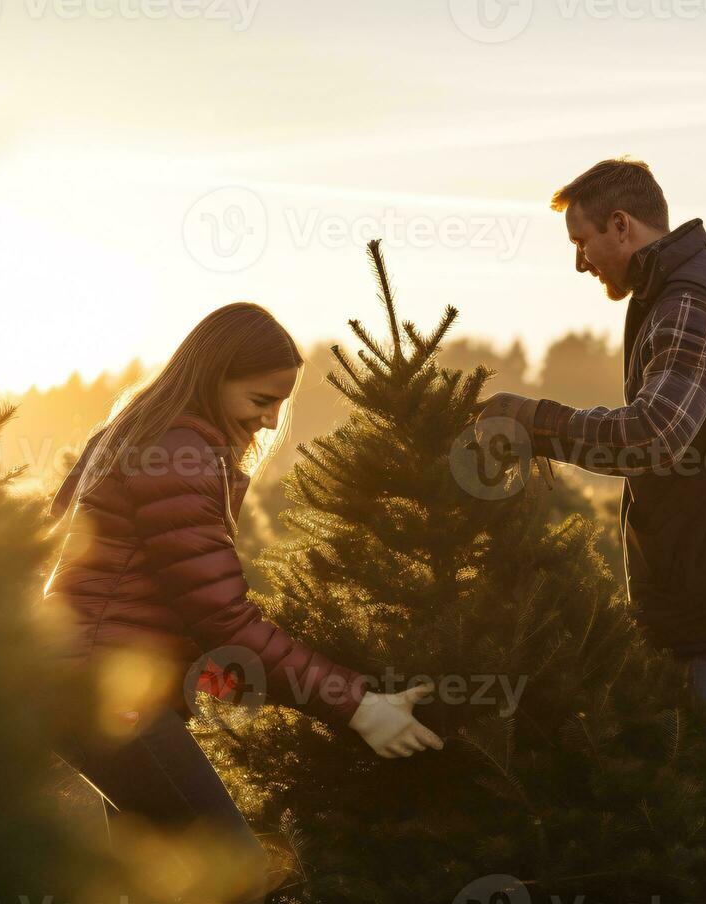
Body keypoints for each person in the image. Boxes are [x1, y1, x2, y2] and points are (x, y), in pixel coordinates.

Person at [474, 158, 706, 904]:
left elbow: (654, 435)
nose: (580, 261)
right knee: (670, 783)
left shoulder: (689, 301)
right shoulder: (676, 291)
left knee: (693, 793)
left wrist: (533, 420)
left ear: (623, 226)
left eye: (583, 240)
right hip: (694, 588)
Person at [42, 302, 443, 868]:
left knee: (156, 901)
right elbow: (222, 620)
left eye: (281, 402)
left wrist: (221, 684)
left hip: (96, 684)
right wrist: (357, 705)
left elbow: (168, 613)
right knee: (227, 883)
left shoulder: (142, 433)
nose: (273, 420)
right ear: (212, 379)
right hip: (107, 694)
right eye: (261, 401)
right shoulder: (178, 456)